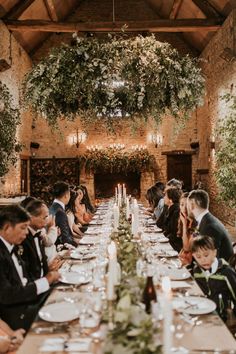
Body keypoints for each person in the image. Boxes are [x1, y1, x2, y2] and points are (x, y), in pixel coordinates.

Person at [0, 205, 59, 330]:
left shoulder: (12, 245)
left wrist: (48, 282)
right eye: (23, 227)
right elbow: (7, 295)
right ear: (7, 228)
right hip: (16, 315)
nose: (27, 232)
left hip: (28, 301)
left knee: (63, 294)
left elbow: (25, 279)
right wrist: (46, 280)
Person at [191, 235, 236, 321]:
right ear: (194, 256)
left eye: (206, 255)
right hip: (202, 313)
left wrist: (233, 316)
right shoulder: (197, 271)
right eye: (198, 257)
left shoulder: (226, 272)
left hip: (222, 316)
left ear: (214, 253)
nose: (203, 260)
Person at [187, 190, 233, 261]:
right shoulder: (206, 219)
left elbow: (210, 261)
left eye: (187, 205)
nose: (187, 208)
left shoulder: (210, 227)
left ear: (192, 205)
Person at [22, 199, 63, 280]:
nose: (47, 220)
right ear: (31, 217)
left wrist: (49, 269)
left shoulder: (37, 233)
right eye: (45, 217)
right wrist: (47, 274)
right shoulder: (24, 238)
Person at [49, 181, 78, 247]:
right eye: (70, 194)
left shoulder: (53, 206)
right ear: (66, 195)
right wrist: (80, 244)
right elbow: (65, 239)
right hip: (61, 248)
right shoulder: (60, 212)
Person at [178, 192, 197, 266]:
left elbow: (187, 248)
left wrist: (184, 224)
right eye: (182, 205)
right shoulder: (186, 220)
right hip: (185, 257)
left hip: (195, 261)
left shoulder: (195, 222)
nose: (184, 208)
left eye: (187, 205)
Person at [163, 187, 183, 252]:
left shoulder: (176, 211)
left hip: (175, 246)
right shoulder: (171, 208)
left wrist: (163, 238)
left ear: (170, 199)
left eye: (165, 196)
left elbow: (174, 233)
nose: (164, 198)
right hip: (170, 241)